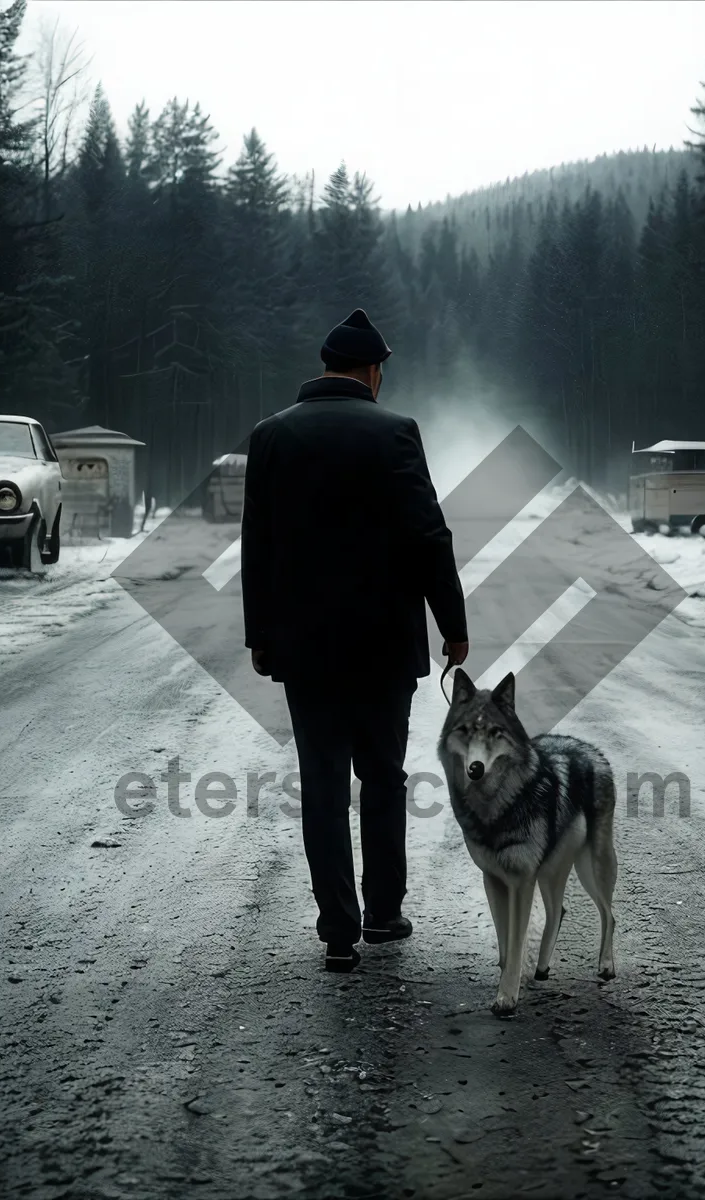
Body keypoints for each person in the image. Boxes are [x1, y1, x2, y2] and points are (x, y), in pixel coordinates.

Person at [241, 308, 469, 973]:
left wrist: (261, 634)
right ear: (373, 372)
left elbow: (257, 545)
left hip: (304, 648)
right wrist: (452, 625)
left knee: (321, 782)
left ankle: (338, 930)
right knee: (382, 777)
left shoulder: (271, 436)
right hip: (384, 645)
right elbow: (430, 536)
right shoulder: (397, 432)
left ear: (323, 368)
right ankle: (383, 913)